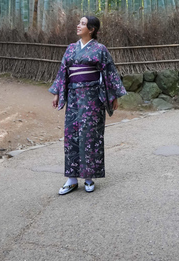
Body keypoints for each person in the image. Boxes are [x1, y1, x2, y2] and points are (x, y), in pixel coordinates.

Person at [49, 15, 127, 195]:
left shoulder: (100, 50)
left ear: (91, 29)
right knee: (71, 134)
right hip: (74, 96)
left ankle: (89, 177)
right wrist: (57, 92)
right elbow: (63, 71)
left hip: (92, 98)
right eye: (79, 23)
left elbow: (110, 72)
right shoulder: (70, 49)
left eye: (83, 24)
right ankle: (72, 179)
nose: (78, 25)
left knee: (90, 134)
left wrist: (113, 95)